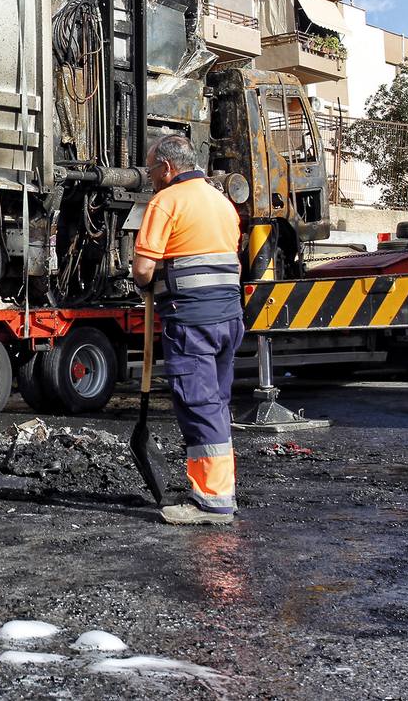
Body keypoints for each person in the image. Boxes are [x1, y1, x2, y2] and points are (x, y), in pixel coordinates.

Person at [132, 134, 244, 526]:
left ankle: (212, 503)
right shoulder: (222, 202)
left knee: (199, 405)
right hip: (229, 319)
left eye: (150, 171)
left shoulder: (166, 202)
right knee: (215, 403)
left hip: (191, 321)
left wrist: (146, 282)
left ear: (166, 168)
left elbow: (143, 269)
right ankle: (219, 489)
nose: (149, 178)